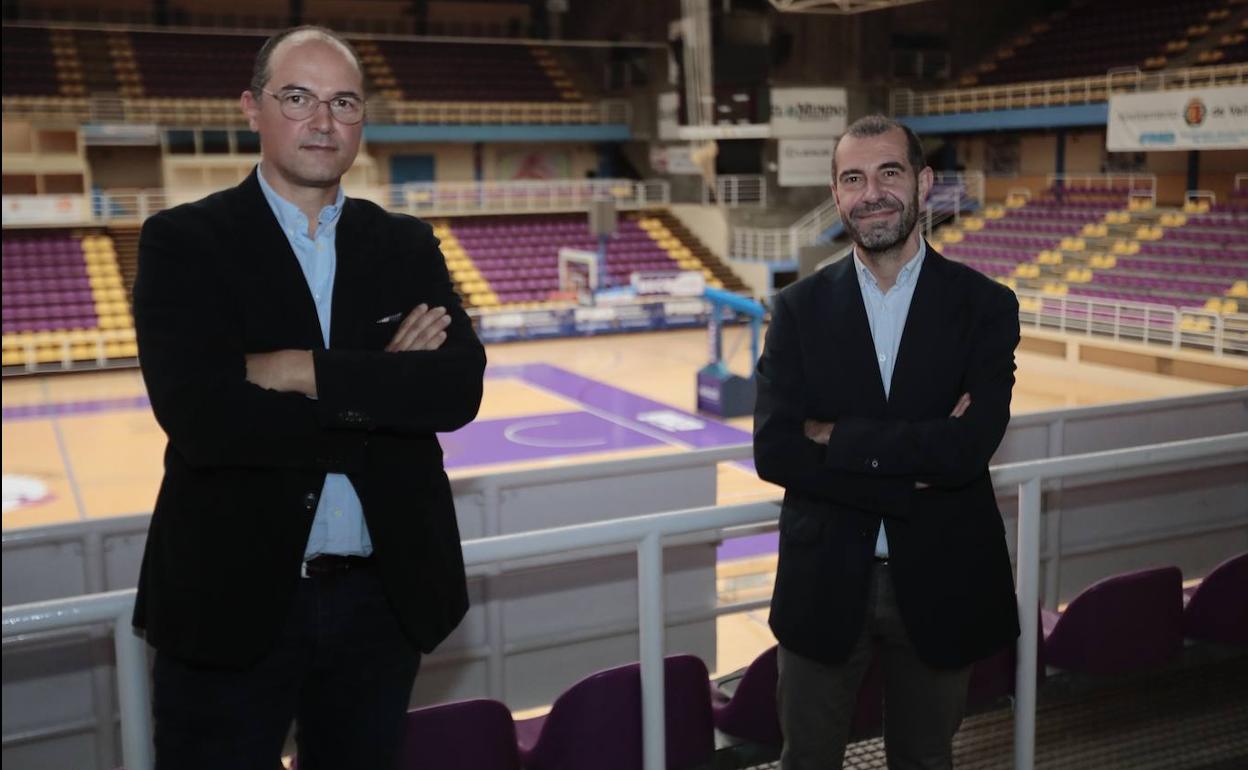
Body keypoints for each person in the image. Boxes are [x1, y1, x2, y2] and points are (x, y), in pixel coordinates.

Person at [131, 25, 486, 770]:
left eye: (343, 101)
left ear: (362, 119)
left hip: (380, 603)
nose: (322, 121)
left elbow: (456, 390)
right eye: (298, 97)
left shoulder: (406, 243)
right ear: (250, 108)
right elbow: (206, 422)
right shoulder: (182, 242)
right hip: (231, 599)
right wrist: (381, 391)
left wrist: (298, 370)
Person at [753, 114, 1020, 770]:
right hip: (825, 581)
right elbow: (777, 451)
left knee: (925, 761)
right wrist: (920, 451)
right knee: (807, 760)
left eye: (889, 173)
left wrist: (837, 437)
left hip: (941, 575)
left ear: (924, 183)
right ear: (837, 195)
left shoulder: (985, 306)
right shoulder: (796, 309)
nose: (871, 192)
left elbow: (967, 451)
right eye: (853, 178)